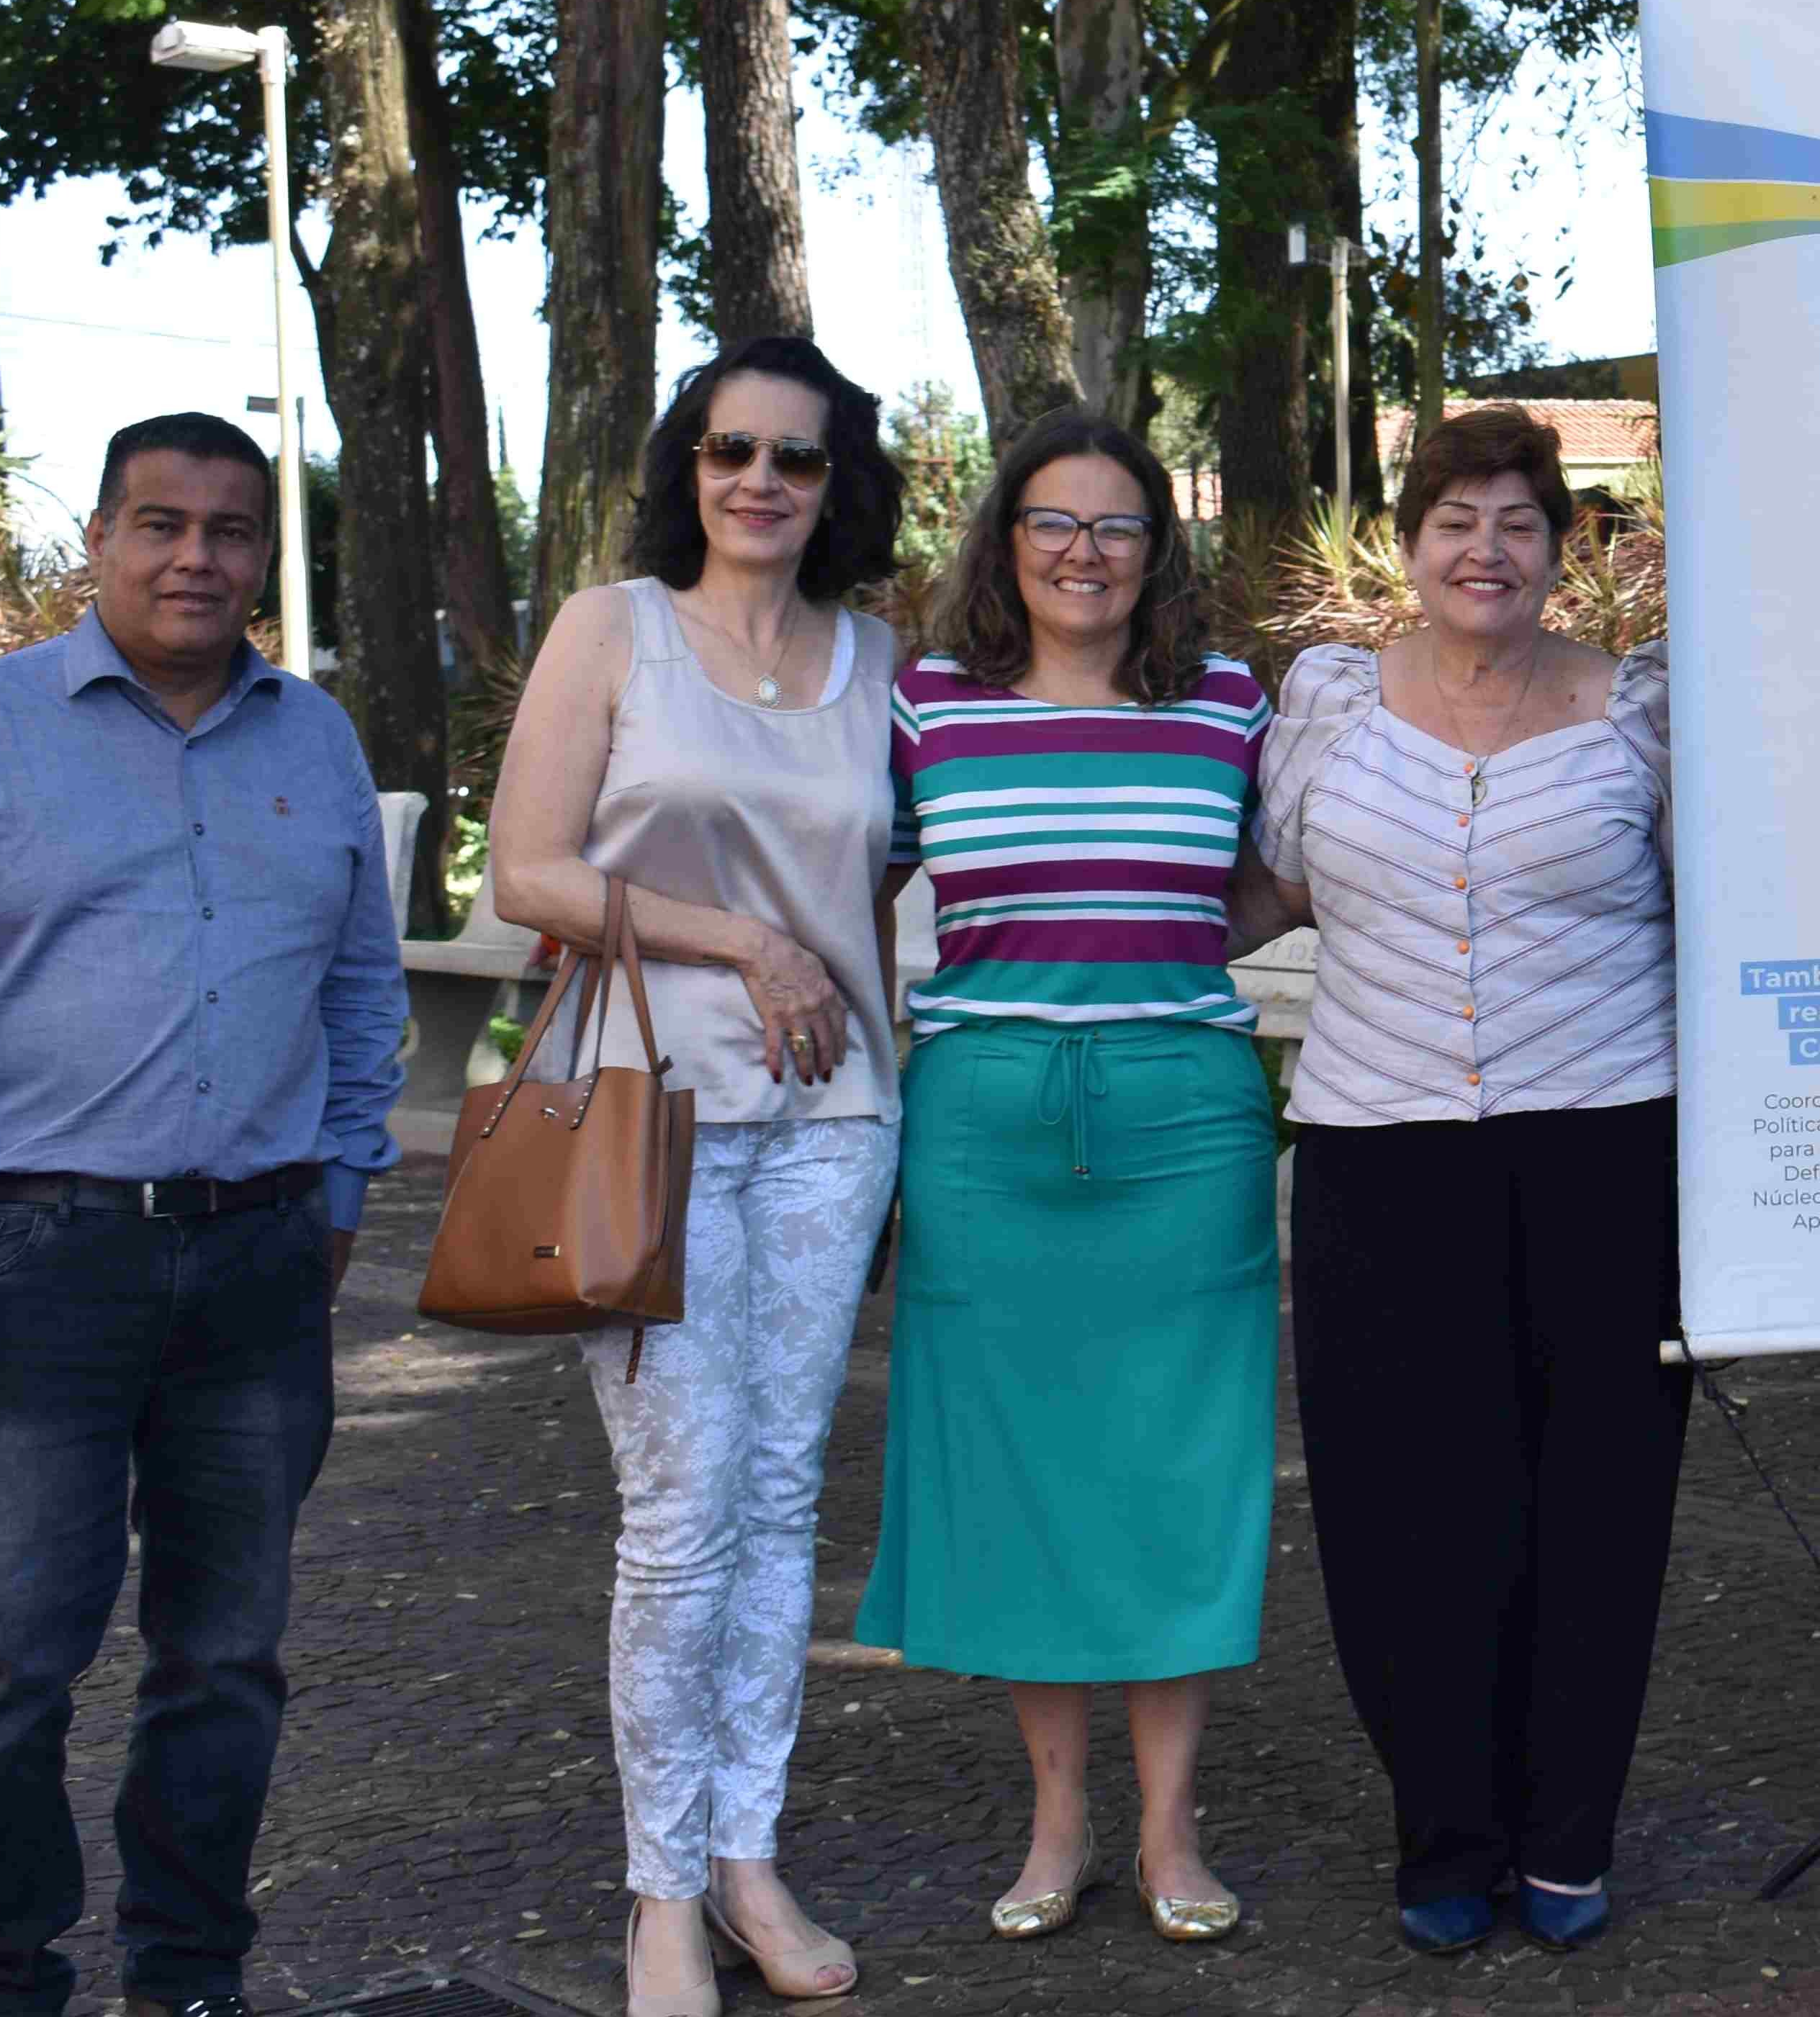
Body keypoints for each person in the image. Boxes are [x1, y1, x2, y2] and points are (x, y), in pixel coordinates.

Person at [0, 413, 403, 2017]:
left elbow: (367, 985)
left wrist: (343, 1182)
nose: (198, 556)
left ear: (261, 557)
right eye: (160, 523)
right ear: (97, 539)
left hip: (258, 1265)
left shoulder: (312, 737)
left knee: (225, 1656)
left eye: (232, 530)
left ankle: (186, 1975)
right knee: (7, 1660)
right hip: (35, 1258)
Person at [487, 337, 909, 2017]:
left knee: (782, 1499)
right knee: (677, 1517)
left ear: (833, 484)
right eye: (731, 447)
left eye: (795, 458)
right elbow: (529, 870)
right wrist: (737, 939)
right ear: (690, 464)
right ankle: (661, 1892)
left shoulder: (879, 655)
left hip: (839, 1124)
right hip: (647, 1122)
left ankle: (748, 1853)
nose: (759, 479)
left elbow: (879, 894)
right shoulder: (613, 629)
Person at [1258, 404, 1683, 1958]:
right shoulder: (1323, 703)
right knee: (1401, 1510)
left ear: (1559, 552)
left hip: (1607, 1143)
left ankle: (1567, 1831)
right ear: (1409, 540)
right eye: (1458, 520)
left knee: (1597, 1500)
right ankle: (1444, 1827)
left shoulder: (1638, 708)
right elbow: (1256, 885)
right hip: (1381, 1154)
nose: (1485, 549)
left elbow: (1720, 904)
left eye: (1518, 522)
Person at [858, 413, 1289, 1946]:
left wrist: (1156, 955)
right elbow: (850, 885)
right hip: (983, 1120)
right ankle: (1058, 1816)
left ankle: (1174, 1821)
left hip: (1183, 1114)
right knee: (1025, 1468)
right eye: (1056, 522)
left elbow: (1288, 867)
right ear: (1006, 537)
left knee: (1179, 1468)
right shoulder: (926, 702)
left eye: (1118, 527)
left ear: (1157, 549)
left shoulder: (1229, 698)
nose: (1086, 553)